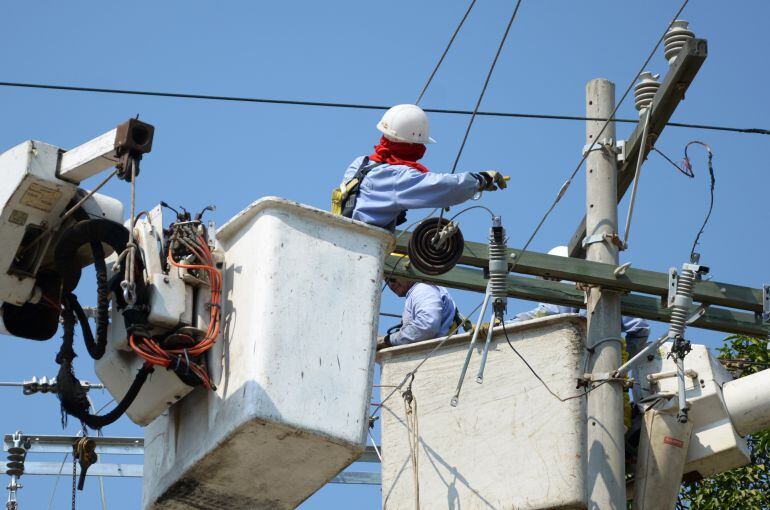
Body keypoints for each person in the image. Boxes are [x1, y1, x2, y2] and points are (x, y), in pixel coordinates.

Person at [334, 104, 507, 230]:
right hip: (364, 245)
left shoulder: (361, 163)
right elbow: (443, 186)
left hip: (340, 236)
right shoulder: (399, 177)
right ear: (412, 145)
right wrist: (481, 179)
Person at [509, 246, 650, 357]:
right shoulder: (611, 296)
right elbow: (640, 328)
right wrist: (625, 361)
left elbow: (543, 313)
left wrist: (505, 326)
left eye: (552, 278)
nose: (551, 283)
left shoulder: (602, 296)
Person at [378, 277, 458, 348]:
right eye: (387, 281)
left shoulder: (422, 289)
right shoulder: (418, 291)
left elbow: (427, 326)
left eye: (392, 279)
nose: (391, 284)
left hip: (436, 353)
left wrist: (387, 340)